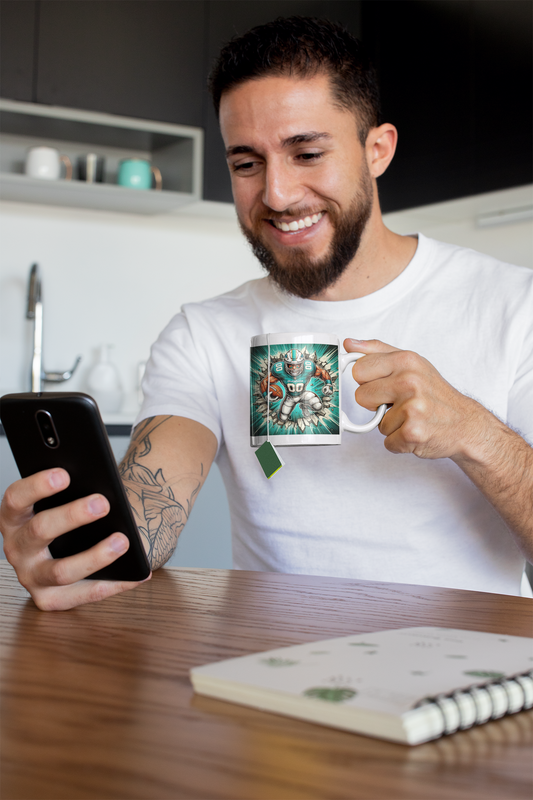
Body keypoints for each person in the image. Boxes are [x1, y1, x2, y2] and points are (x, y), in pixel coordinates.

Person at [1, 17, 532, 611]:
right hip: (268, 671)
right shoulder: (204, 334)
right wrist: (90, 551)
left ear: (377, 149)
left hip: (468, 684)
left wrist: (476, 434)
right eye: (247, 164)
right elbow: (158, 490)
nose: (277, 195)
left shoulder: (514, 306)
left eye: (306, 152)